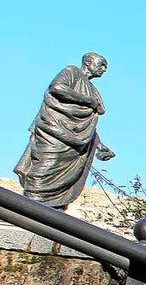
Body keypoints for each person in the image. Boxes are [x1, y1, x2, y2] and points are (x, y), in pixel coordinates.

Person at [15, 52, 115, 209]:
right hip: (53, 132)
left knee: (62, 179)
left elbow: (87, 125)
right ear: (89, 62)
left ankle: (50, 212)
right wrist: (87, 100)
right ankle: (27, 210)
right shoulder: (72, 72)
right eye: (101, 64)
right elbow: (57, 88)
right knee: (43, 171)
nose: (104, 69)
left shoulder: (92, 89)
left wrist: (100, 145)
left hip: (73, 145)